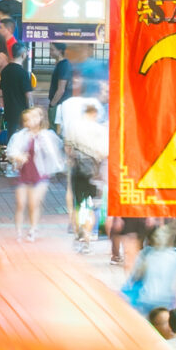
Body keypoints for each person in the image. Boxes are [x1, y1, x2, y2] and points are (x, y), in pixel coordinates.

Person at [54, 91, 108, 252]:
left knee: (79, 204)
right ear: (95, 113)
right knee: (92, 205)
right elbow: (104, 152)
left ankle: (79, 234)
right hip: (94, 171)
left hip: (77, 169)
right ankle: (88, 237)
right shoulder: (100, 130)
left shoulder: (73, 126)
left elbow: (67, 147)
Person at [4, 106, 63, 241]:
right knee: (20, 203)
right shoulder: (20, 136)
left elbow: (54, 153)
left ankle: (32, 229)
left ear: (40, 118)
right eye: (27, 119)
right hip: (24, 174)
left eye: (34, 118)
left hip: (40, 175)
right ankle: (19, 231)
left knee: (33, 203)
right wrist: (18, 157)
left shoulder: (47, 136)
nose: (30, 121)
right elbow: (12, 151)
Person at [0, 46, 34, 152]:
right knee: (24, 140)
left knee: (11, 139)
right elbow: (28, 96)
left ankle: (11, 158)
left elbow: (2, 92)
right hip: (22, 113)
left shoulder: (4, 71)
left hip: (9, 111)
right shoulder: (23, 73)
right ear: (23, 55)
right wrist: (31, 111)